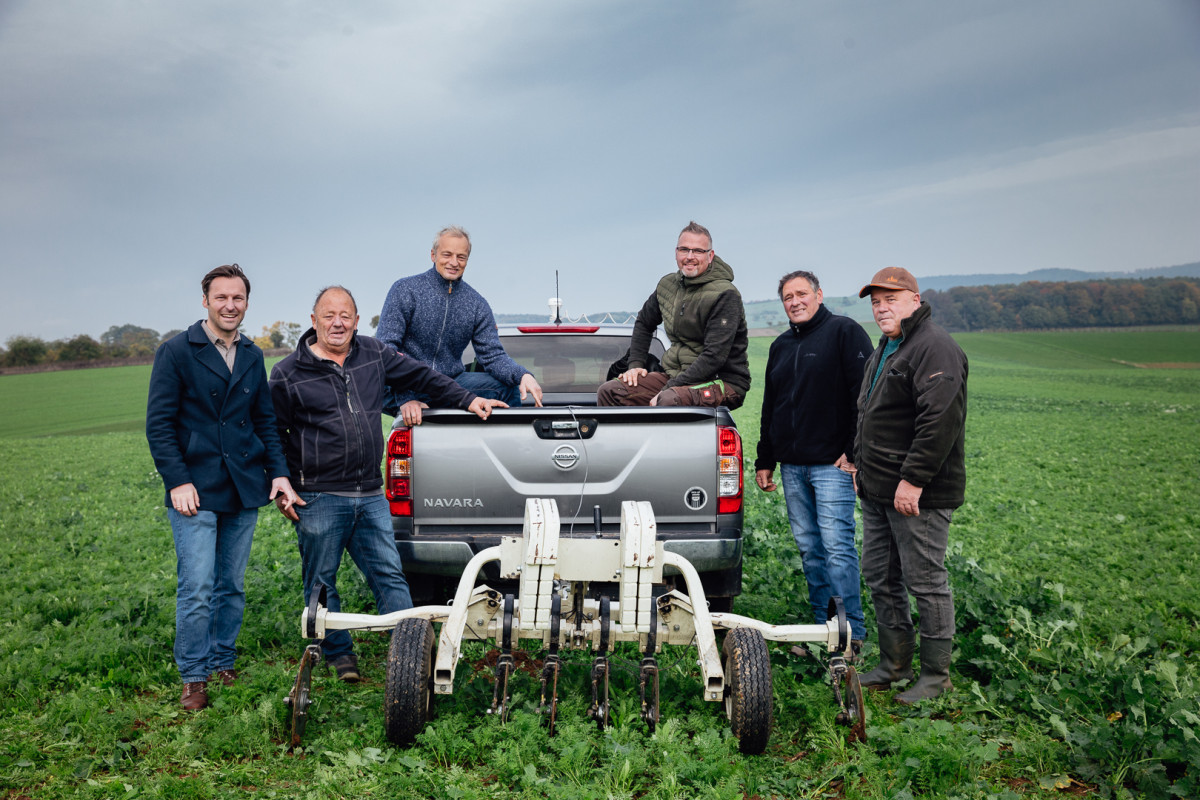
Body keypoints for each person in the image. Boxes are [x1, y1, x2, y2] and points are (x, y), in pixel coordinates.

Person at [270, 286, 505, 681]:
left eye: (345, 315)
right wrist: (280, 481)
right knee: (321, 581)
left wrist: (467, 399)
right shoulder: (287, 373)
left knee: (390, 576)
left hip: (370, 493)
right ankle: (338, 655)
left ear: (358, 321)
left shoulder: (373, 354)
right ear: (314, 321)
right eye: (328, 315)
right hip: (318, 495)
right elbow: (273, 432)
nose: (338, 322)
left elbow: (422, 376)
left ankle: (414, 655)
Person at [146, 263, 301, 710]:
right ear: (205, 301)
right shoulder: (176, 351)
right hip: (194, 487)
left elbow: (265, 423)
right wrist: (177, 480)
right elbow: (159, 425)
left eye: (238, 298)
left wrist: (279, 473)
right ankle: (194, 676)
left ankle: (222, 659)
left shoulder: (252, 355)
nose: (230, 305)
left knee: (231, 584)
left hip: (242, 485)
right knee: (197, 585)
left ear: (246, 302)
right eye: (221, 298)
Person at [853, 266, 968, 704]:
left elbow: (939, 421)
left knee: (925, 580)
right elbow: (872, 411)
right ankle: (894, 663)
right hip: (878, 487)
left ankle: (937, 677)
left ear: (915, 301)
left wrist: (913, 480)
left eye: (891, 299)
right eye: (876, 301)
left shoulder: (934, 347)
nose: (882, 308)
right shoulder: (889, 345)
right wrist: (856, 456)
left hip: (916, 493)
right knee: (881, 575)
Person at [754, 270, 872, 649]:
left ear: (819, 295)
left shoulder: (845, 332)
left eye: (802, 293)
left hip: (832, 466)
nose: (795, 301)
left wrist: (853, 452)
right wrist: (765, 458)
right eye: (788, 296)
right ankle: (823, 626)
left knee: (837, 546)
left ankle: (850, 632)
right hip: (792, 467)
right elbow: (771, 406)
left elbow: (865, 397)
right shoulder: (781, 346)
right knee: (809, 548)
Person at [376, 226, 542, 425]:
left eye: (461, 257)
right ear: (433, 255)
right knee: (379, 386)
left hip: (449, 384)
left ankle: (510, 446)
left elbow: (493, 355)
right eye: (447, 254)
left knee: (506, 387)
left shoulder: (476, 304)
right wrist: (407, 398)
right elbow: (386, 351)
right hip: (401, 386)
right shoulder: (405, 290)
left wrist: (522, 375)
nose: (454, 262)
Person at [597, 221, 750, 408]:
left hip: (723, 381)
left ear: (710, 256)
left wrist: (668, 388)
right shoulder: (668, 286)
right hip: (676, 377)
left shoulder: (725, 295)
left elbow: (714, 357)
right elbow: (644, 322)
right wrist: (636, 364)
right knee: (611, 391)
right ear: (676, 252)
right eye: (684, 250)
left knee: (669, 399)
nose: (690, 256)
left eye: (698, 251)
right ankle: (624, 438)